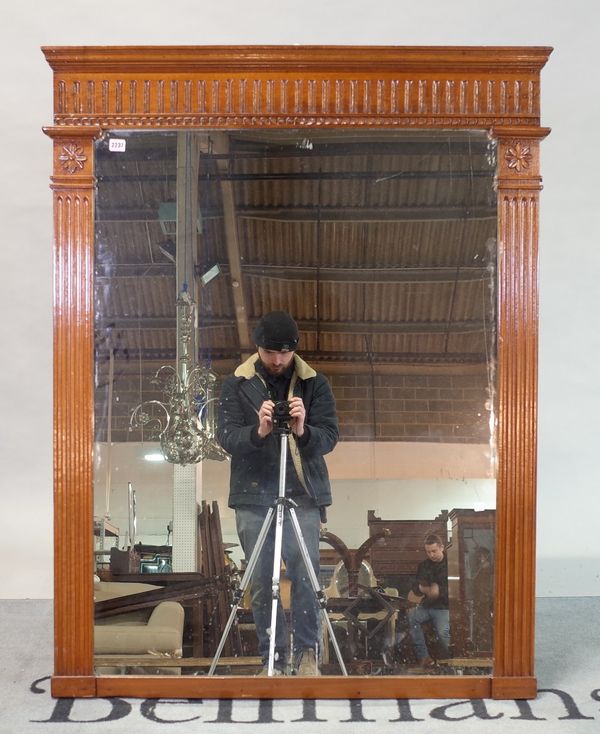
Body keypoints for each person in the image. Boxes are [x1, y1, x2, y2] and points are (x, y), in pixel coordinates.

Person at [216, 311, 339, 676]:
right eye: (271, 352)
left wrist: (304, 430)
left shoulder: (315, 384)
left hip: (302, 493)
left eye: (284, 354)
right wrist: (258, 431)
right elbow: (225, 437)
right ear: (257, 347)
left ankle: (306, 656)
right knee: (261, 579)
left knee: (306, 575)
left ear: (294, 351)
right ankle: (272, 658)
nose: (277, 361)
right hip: (254, 496)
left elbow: (330, 437)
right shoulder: (236, 384)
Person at [407, 533, 450, 667]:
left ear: (442, 547)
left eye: (434, 551)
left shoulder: (452, 564)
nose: (431, 555)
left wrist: (439, 592)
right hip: (426, 606)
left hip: (444, 607)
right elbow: (415, 587)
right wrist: (422, 589)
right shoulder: (423, 565)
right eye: (428, 552)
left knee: (443, 633)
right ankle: (424, 657)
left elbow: (456, 589)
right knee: (412, 617)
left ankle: (449, 659)